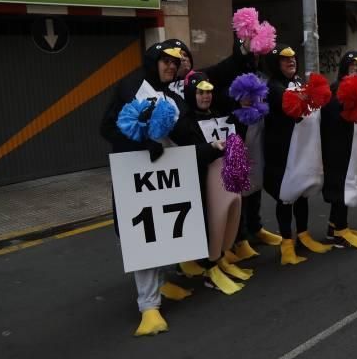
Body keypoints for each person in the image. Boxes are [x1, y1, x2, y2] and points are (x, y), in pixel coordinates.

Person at [100, 39, 191, 337]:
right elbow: (108, 128)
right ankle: (148, 306)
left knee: (165, 232)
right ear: (153, 61)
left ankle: (161, 286)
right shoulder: (132, 87)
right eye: (166, 61)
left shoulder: (170, 96)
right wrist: (141, 143)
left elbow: (182, 133)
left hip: (164, 176)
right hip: (135, 177)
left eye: (175, 63)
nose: (171, 67)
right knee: (142, 236)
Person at [169, 72, 251, 294]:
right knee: (211, 221)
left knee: (230, 216)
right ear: (191, 93)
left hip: (226, 178)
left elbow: (237, 133)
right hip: (202, 181)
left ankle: (220, 259)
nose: (205, 96)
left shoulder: (218, 113)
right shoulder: (185, 121)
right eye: (200, 92)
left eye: (208, 92)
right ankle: (209, 269)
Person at [201, 36, 282, 259]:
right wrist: (236, 102)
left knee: (255, 181)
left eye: (258, 52)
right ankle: (240, 237)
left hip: (258, 130)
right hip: (236, 132)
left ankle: (256, 228)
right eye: (251, 50)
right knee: (239, 184)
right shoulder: (227, 69)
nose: (255, 55)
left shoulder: (262, 69)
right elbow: (212, 94)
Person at [263, 45, 333, 264]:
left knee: (303, 193)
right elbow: (290, 104)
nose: (291, 61)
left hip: (303, 150)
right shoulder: (272, 86)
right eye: (285, 60)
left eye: (293, 58)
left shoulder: (299, 81)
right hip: (283, 153)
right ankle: (286, 243)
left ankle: (303, 234)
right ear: (276, 64)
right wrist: (310, 94)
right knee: (286, 196)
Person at [321, 51, 357, 250]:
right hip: (336, 147)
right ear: (344, 67)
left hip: (350, 143)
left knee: (348, 182)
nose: (356, 70)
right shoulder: (335, 89)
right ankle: (339, 233)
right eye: (352, 66)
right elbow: (332, 118)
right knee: (340, 185)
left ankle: (333, 227)